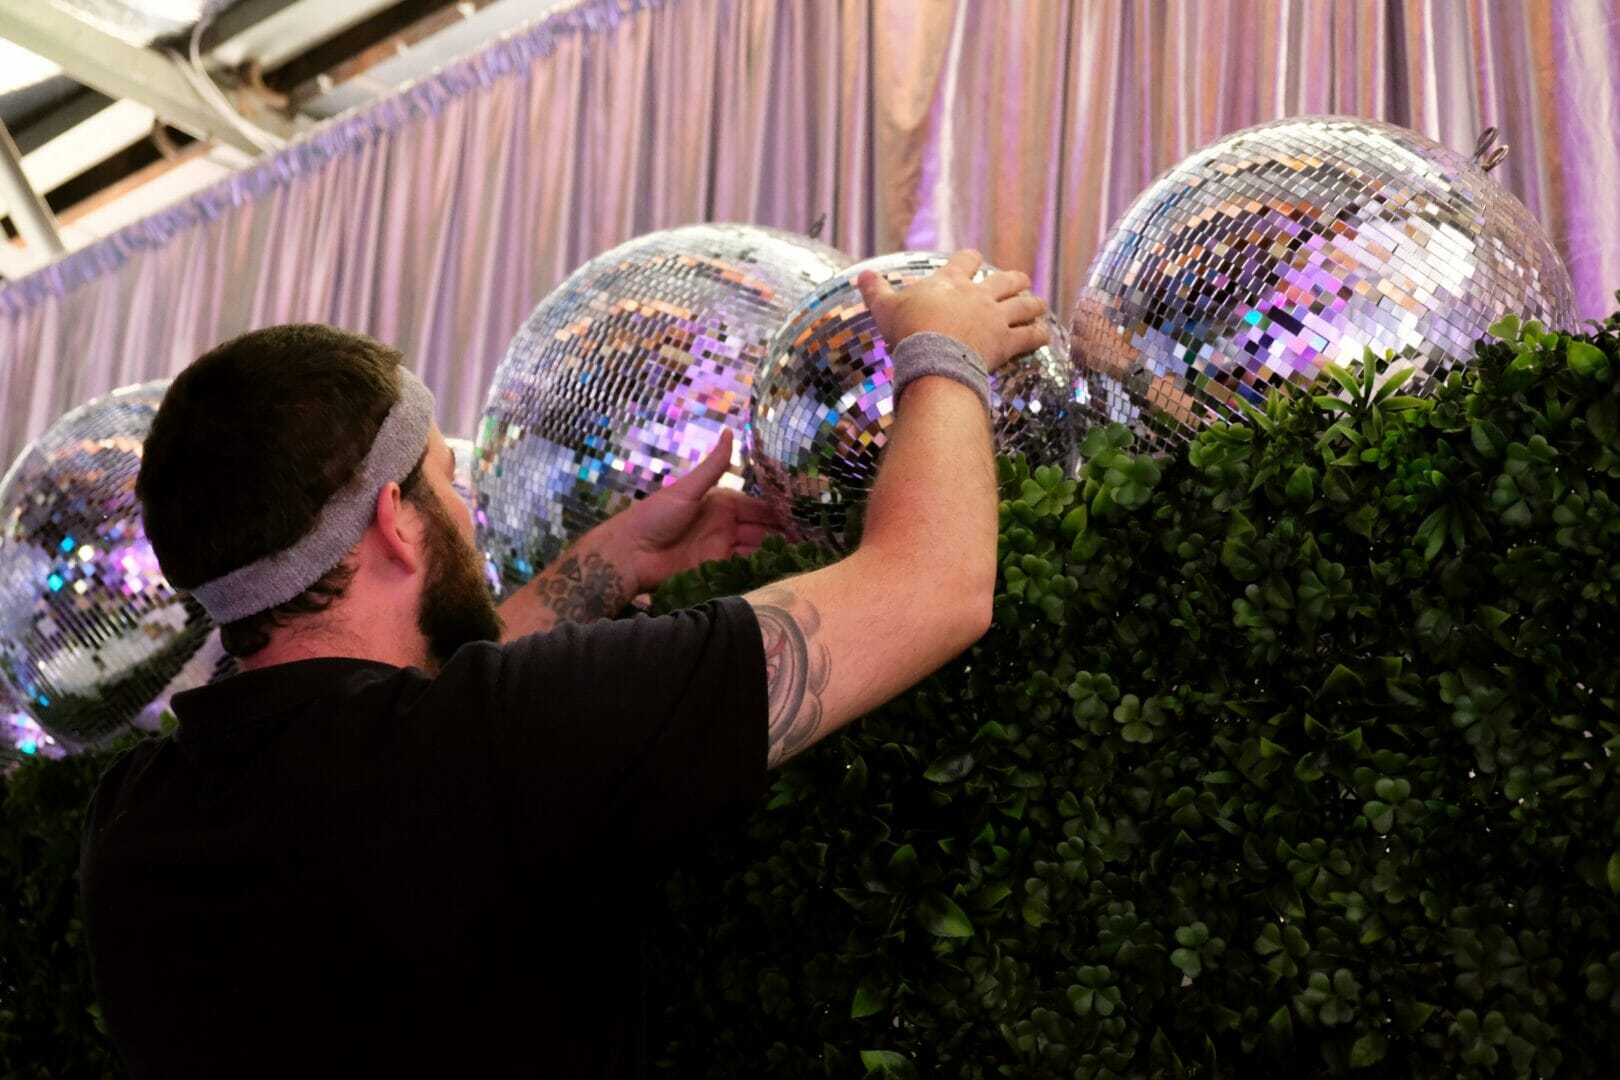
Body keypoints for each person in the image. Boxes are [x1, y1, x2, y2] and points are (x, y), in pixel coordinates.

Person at [80, 251, 1049, 1077]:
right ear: (393, 524)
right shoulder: (499, 747)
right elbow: (933, 587)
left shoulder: (132, 824)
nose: (472, 515)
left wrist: (609, 564)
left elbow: (396, 729)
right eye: (449, 487)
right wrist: (942, 351)